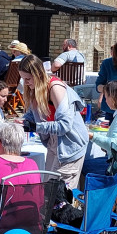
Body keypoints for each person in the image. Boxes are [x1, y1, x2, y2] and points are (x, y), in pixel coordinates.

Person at [18, 54, 88, 189]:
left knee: (61, 198)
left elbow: (65, 125)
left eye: (27, 79)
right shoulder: (36, 89)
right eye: (23, 79)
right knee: (47, 191)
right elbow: (35, 113)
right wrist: (24, 121)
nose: (25, 83)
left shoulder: (55, 88)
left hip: (69, 146)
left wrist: (35, 126)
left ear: (38, 74)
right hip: (55, 143)